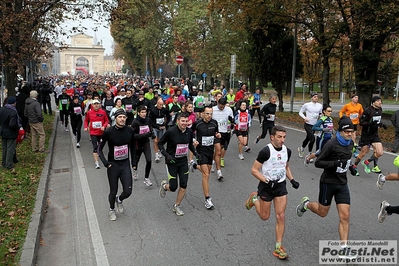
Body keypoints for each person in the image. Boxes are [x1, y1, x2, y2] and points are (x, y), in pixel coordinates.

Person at [296, 117, 356, 255]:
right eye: (347, 131)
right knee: (322, 213)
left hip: (342, 183)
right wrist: (335, 164)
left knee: (345, 216)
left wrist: (351, 166)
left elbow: (347, 158)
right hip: (328, 183)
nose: (349, 134)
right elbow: (318, 163)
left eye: (351, 132)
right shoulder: (331, 144)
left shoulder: (351, 143)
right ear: (340, 131)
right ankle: (306, 204)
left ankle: (344, 248)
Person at [245, 125, 299, 260]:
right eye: (279, 137)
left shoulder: (287, 151)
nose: (282, 140)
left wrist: (292, 179)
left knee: (281, 216)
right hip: (266, 187)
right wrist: (268, 181)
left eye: (284, 137)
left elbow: (285, 166)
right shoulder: (266, 151)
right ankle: (254, 199)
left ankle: (278, 247)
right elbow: (254, 170)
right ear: (272, 137)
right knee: (264, 217)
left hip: (280, 186)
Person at [98, 108, 136, 221]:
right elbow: (99, 149)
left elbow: (133, 147)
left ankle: (119, 200)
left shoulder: (130, 131)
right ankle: (111, 209)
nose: (122, 119)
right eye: (120, 117)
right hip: (113, 165)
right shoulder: (109, 132)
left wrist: (134, 163)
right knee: (113, 190)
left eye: (124, 117)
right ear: (115, 118)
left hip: (125, 164)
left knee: (128, 191)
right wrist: (105, 163)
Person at [158, 112, 199, 216]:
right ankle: (164, 186)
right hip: (171, 162)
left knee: (184, 185)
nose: (184, 123)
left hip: (183, 162)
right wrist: (166, 155)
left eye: (186, 121)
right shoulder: (171, 131)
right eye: (182, 121)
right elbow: (160, 143)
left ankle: (176, 206)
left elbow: (189, 144)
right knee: (173, 187)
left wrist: (195, 153)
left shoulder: (189, 132)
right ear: (177, 121)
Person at [190, 105, 221, 209]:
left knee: (206, 171)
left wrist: (218, 135)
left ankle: (194, 166)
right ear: (202, 113)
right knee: (206, 175)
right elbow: (190, 133)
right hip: (200, 151)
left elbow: (217, 133)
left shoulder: (214, 123)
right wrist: (194, 140)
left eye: (211, 113)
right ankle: (207, 199)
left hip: (210, 151)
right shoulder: (197, 124)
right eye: (207, 113)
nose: (209, 116)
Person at [351, 96, 386, 175]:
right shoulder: (368, 110)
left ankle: (367, 162)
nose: (380, 102)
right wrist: (371, 124)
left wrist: (381, 125)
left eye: (380, 101)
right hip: (366, 135)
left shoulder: (380, 110)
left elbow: (377, 121)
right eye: (378, 101)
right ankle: (354, 165)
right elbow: (361, 122)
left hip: (374, 135)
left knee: (380, 152)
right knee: (363, 153)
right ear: (373, 102)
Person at [131, 105, 154, 186]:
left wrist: (152, 134)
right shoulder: (135, 122)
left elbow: (150, 129)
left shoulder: (148, 120)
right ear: (138, 113)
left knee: (149, 160)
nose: (144, 114)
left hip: (146, 144)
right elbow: (133, 135)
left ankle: (146, 178)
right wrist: (144, 135)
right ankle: (135, 170)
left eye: (145, 112)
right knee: (136, 161)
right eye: (142, 112)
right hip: (137, 145)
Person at [212, 98, 235, 179]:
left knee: (220, 149)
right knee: (218, 151)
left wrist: (232, 122)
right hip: (216, 132)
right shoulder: (213, 109)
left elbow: (232, 120)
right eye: (220, 106)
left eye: (223, 107)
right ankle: (219, 172)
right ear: (218, 103)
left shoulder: (229, 110)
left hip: (225, 132)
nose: (222, 108)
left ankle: (213, 160)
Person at [84, 99, 109, 169]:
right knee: (95, 148)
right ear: (92, 105)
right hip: (93, 133)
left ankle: (100, 155)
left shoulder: (103, 112)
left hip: (101, 133)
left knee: (100, 148)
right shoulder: (89, 113)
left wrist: (104, 126)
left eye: (97, 104)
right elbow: (86, 121)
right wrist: (86, 127)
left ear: (99, 105)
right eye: (95, 104)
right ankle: (97, 162)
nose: (96, 105)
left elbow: (106, 121)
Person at [297, 91, 323, 158]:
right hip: (308, 124)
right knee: (312, 139)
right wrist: (305, 118)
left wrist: (321, 118)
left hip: (314, 125)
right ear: (311, 98)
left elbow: (320, 114)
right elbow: (300, 112)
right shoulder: (307, 105)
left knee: (308, 138)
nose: (316, 98)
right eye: (314, 97)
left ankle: (301, 149)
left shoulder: (320, 106)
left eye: (317, 97)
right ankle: (309, 154)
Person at [0, 97, 20, 172]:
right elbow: (12, 124)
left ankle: (4, 163)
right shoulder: (13, 112)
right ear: (14, 103)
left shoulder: (2, 109)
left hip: (3, 131)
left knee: (4, 148)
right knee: (10, 149)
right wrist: (18, 127)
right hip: (11, 132)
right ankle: (9, 165)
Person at [149, 98, 170, 163]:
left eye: (162, 105)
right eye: (160, 105)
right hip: (155, 127)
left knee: (160, 141)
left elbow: (168, 117)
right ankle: (156, 154)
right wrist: (156, 126)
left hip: (162, 127)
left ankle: (159, 150)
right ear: (157, 104)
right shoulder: (153, 110)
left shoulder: (164, 110)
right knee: (155, 140)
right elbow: (150, 120)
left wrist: (165, 125)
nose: (161, 106)